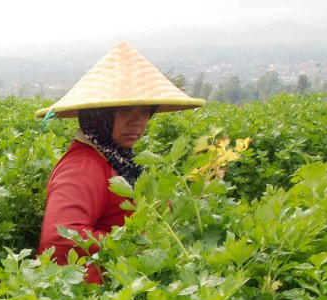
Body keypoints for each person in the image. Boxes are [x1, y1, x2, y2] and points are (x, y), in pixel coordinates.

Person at [35, 42, 205, 283]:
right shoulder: (83, 166)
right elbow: (60, 238)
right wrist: (136, 245)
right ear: (99, 115)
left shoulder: (116, 157)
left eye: (144, 111)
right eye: (125, 111)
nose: (137, 122)